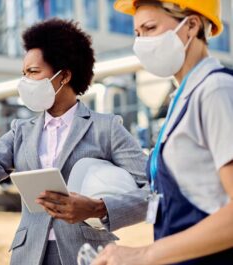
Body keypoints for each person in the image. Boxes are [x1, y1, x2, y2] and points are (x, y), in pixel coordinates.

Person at [0, 19, 148, 265]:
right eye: (24, 73)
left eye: (34, 72)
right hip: (29, 255)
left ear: (65, 76)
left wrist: (99, 208)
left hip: (87, 253)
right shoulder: (21, 131)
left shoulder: (106, 128)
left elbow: (152, 191)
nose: (25, 81)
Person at [93, 1, 233, 264]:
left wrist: (144, 254)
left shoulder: (216, 91)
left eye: (150, 28)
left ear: (191, 25)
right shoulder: (182, 97)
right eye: (137, 34)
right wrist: (97, 207)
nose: (141, 43)